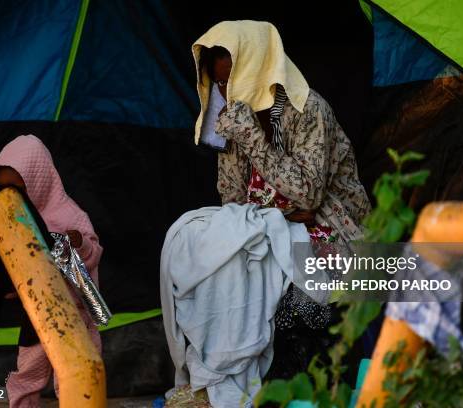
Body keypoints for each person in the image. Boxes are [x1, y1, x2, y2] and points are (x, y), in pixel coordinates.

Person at [165, 21, 371, 405]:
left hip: (334, 232)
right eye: (220, 84)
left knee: (299, 302)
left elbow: (307, 195)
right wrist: (270, 218)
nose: (226, 92)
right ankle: (224, 382)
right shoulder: (232, 119)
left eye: (233, 80)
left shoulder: (308, 110)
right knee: (211, 275)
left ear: (258, 68)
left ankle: (292, 392)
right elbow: (232, 198)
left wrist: (255, 142)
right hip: (269, 234)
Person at [0, 135, 103, 408]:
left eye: (18, 188)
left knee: (78, 371)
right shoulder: (14, 219)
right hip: (38, 312)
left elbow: (94, 253)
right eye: (6, 191)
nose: (13, 197)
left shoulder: (69, 215)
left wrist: (81, 244)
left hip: (77, 311)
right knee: (28, 368)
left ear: (37, 179)